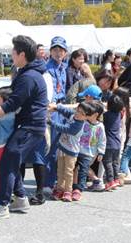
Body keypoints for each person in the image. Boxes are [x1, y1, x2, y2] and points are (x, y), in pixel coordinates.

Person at [0, 35, 48, 220]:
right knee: (12, 160)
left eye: (13, 51)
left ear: (22, 54)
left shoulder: (29, 77)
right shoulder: (25, 73)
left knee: (8, 161)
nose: (11, 54)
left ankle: (2, 205)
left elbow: (12, 103)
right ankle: (21, 199)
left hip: (30, 126)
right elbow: (8, 93)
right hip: (28, 125)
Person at [49, 102, 93, 202]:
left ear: (86, 117)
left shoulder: (78, 125)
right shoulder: (73, 115)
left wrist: (50, 122)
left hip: (71, 152)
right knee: (60, 170)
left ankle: (68, 191)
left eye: (81, 113)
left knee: (68, 172)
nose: (77, 113)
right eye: (77, 110)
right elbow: (66, 111)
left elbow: (64, 128)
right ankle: (59, 189)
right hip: (62, 148)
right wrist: (56, 107)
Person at [45, 36, 69, 191]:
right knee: (50, 147)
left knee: (59, 146)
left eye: (61, 50)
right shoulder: (48, 68)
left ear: (65, 52)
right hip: (52, 110)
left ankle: (54, 179)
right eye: (55, 49)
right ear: (50, 51)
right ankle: (47, 182)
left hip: (62, 109)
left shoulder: (63, 68)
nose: (58, 52)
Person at [73, 100, 106, 198]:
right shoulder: (83, 122)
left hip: (90, 153)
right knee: (76, 168)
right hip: (78, 149)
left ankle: (79, 188)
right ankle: (75, 186)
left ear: (95, 114)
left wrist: (101, 152)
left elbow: (102, 140)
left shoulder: (100, 126)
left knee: (83, 170)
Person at [102, 94, 124, 190]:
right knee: (115, 162)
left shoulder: (106, 115)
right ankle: (116, 179)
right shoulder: (119, 114)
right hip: (117, 142)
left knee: (107, 162)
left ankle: (110, 181)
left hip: (108, 143)